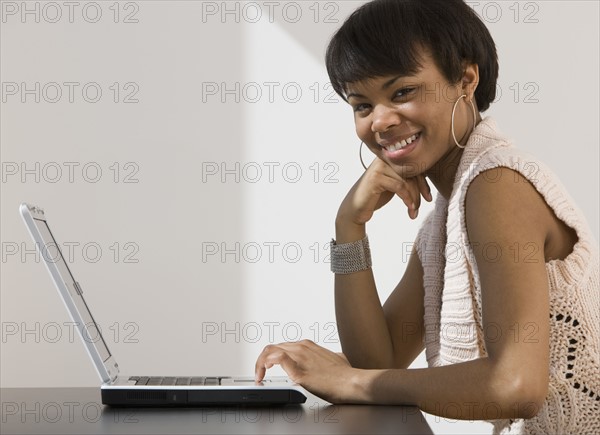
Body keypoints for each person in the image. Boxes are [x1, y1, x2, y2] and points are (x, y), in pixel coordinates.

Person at [254, 1, 600, 433]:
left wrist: (352, 381)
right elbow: (378, 361)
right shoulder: (448, 220)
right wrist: (349, 228)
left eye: (402, 93)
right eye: (361, 105)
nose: (380, 121)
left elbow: (515, 386)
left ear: (466, 80)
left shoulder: (496, 184)